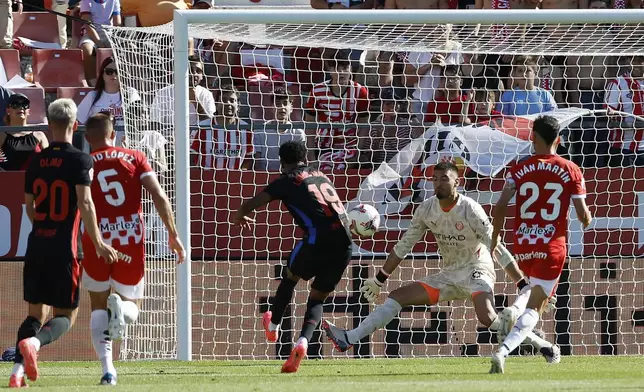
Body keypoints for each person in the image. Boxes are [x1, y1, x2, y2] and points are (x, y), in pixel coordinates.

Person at [323, 161, 558, 361]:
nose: (438, 183)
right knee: (397, 297)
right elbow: (404, 246)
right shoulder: (426, 209)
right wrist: (378, 280)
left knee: (487, 318)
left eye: (444, 178)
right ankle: (348, 338)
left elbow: (496, 247)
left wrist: (522, 284)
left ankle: (541, 345)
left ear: (457, 182)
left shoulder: (471, 209)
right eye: (434, 179)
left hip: (478, 268)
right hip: (449, 274)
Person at [8, 99, 118, 388]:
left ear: (49, 123)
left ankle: (17, 373)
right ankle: (34, 343)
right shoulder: (80, 160)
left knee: (34, 313)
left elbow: (28, 206)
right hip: (64, 248)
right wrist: (97, 242)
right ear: (74, 124)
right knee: (67, 316)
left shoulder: (36, 161)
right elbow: (85, 202)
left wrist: (43, 227)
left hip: (37, 244)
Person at [81, 113, 185, 385]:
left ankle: (108, 370)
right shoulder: (135, 157)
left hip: (96, 238)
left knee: (97, 307)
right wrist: (172, 235)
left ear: (86, 138)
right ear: (113, 134)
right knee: (133, 307)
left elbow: (81, 204)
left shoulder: (83, 162)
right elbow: (159, 196)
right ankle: (123, 312)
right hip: (129, 237)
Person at [233, 140, 353, 373]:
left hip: (317, 241)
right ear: (305, 157)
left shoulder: (286, 181)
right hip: (345, 244)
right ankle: (302, 342)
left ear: (282, 162)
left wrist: (240, 215)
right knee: (317, 298)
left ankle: (274, 325)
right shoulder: (321, 175)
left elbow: (251, 204)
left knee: (290, 278)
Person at [489, 115, 592, 374]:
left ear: (532, 137)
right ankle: (503, 351)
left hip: (523, 245)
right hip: (551, 247)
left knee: (531, 293)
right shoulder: (570, 169)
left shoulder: (519, 169)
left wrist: (495, 237)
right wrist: (587, 218)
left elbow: (500, 205)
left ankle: (514, 312)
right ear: (558, 139)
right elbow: (583, 216)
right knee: (537, 305)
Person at [304, 49, 369, 171]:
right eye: (337, 69)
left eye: (345, 68)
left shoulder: (360, 91)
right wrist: (311, 155)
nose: (341, 73)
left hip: (349, 146)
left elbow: (364, 124)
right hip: (324, 146)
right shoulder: (317, 91)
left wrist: (357, 153)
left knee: (343, 171)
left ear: (351, 69)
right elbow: (309, 125)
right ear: (329, 70)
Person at [77, 57, 142, 147]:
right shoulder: (93, 96)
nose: (114, 75)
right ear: (102, 75)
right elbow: (79, 120)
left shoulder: (131, 93)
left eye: (117, 71)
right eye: (109, 71)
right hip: (101, 145)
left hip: (127, 143)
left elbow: (138, 119)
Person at [254, 90, 306, 171]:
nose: (282, 107)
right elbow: (256, 160)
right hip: (264, 175)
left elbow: (301, 161)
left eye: (285, 103)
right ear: (272, 108)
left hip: (290, 177)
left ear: (291, 108)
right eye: (277, 104)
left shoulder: (298, 133)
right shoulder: (261, 131)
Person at [0, 93, 49, 171]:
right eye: (15, 104)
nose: (21, 108)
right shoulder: (1, 135)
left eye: (24, 105)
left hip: (34, 181)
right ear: (8, 111)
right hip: (10, 180)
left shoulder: (39, 135)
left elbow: (48, 162)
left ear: (28, 111)